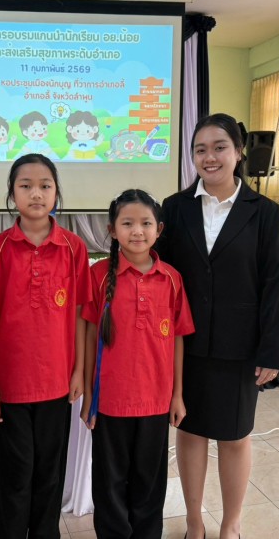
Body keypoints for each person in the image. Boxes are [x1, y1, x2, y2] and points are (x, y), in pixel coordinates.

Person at [156, 113, 279, 539]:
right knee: (190, 432)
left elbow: (275, 285)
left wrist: (271, 349)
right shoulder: (174, 208)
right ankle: (194, 521)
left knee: (234, 436)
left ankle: (231, 524)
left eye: (219, 147)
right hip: (186, 344)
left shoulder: (265, 213)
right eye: (200, 149)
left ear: (239, 152)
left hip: (240, 345)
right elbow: (160, 275)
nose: (209, 157)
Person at [0, 153, 91, 539]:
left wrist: (78, 371)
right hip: (10, 384)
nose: (36, 194)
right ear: (12, 194)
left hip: (57, 382)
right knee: (13, 474)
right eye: (25, 186)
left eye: (45, 185)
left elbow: (80, 314)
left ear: (56, 192)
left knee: (49, 473)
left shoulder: (74, 248)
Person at [81, 189, 194, 539]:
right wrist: (89, 395)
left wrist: (177, 395)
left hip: (155, 402)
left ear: (159, 229)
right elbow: (89, 336)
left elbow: (178, 338)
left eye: (146, 223)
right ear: (112, 230)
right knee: (109, 482)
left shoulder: (171, 278)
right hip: (110, 403)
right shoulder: (99, 275)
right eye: (127, 223)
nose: (137, 231)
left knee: (150, 481)